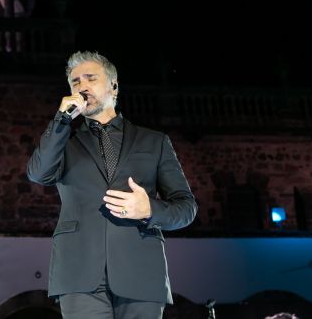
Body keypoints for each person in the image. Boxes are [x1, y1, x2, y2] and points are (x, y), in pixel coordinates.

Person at [27, 50, 197, 319]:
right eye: (75, 82)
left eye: (90, 78)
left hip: (141, 270)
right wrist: (61, 120)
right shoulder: (63, 143)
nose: (82, 86)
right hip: (79, 273)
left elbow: (186, 208)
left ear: (113, 86)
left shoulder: (154, 142)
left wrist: (150, 210)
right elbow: (38, 174)